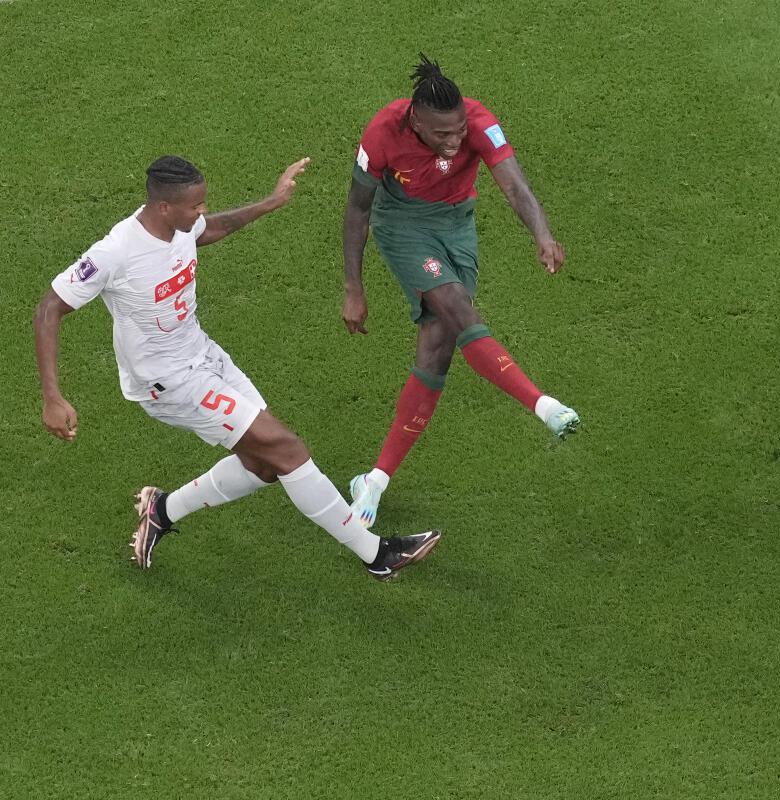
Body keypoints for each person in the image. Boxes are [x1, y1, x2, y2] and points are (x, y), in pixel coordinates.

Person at [34, 155, 440, 581]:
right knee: (288, 451)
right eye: (195, 205)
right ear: (163, 207)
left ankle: (162, 509)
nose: (201, 212)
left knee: (263, 466)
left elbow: (211, 229)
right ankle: (377, 554)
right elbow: (48, 309)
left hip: (204, 356)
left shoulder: (180, 223)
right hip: (168, 383)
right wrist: (52, 396)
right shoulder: (116, 252)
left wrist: (272, 201)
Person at [341, 53, 579, 528]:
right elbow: (357, 212)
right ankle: (544, 405)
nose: (454, 142)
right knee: (455, 306)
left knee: (437, 350)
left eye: (457, 132)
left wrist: (543, 234)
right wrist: (354, 287)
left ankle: (375, 480)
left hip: (457, 226)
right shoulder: (382, 133)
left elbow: (514, 186)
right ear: (414, 120)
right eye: (441, 135)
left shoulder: (479, 123)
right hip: (403, 226)